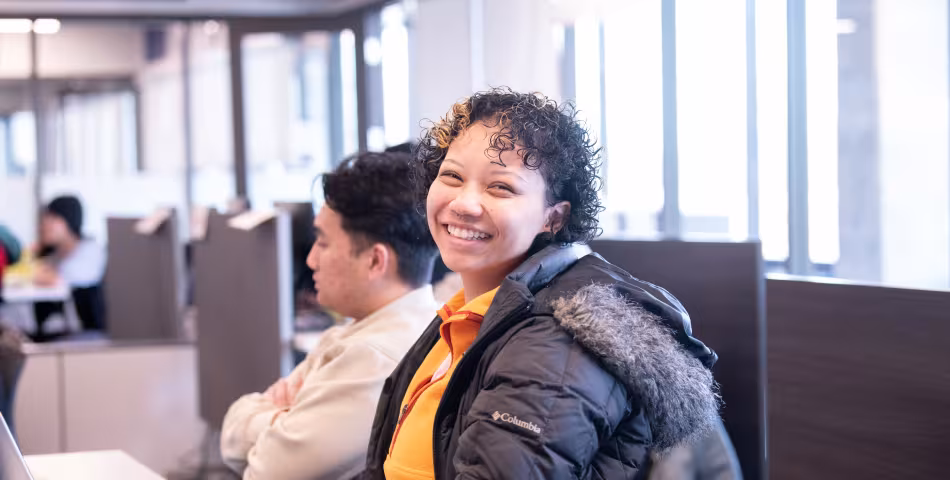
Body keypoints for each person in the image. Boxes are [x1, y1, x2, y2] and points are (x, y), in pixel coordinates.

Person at [359, 88, 721, 480]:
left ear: (554, 217)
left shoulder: (557, 341)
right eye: (452, 176)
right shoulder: (466, 315)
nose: (463, 203)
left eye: (501, 187)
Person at [220, 150, 441, 480]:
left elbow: (266, 472)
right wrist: (278, 424)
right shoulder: (360, 333)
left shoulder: (376, 356)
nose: (310, 260)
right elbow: (230, 431)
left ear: (374, 261)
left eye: (322, 243)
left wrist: (275, 418)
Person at [33, 195, 107, 338]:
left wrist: (43, 273)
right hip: (61, 329)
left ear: (69, 220)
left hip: (90, 334)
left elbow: (58, 279)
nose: (44, 225)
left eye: (52, 218)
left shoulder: (91, 250)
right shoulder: (56, 254)